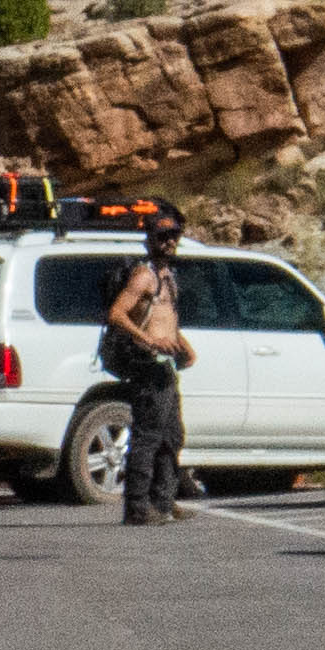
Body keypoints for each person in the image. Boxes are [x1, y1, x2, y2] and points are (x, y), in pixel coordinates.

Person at [98, 217, 192, 524]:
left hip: (165, 368)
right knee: (148, 437)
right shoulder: (143, 276)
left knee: (172, 436)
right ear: (150, 240)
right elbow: (117, 314)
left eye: (174, 235)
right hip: (147, 366)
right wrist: (149, 340)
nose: (170, 241)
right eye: (163, 236)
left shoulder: (168, 276)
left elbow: (165, 319)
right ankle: (138, 508)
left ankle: (163, 502)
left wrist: (182, 346)